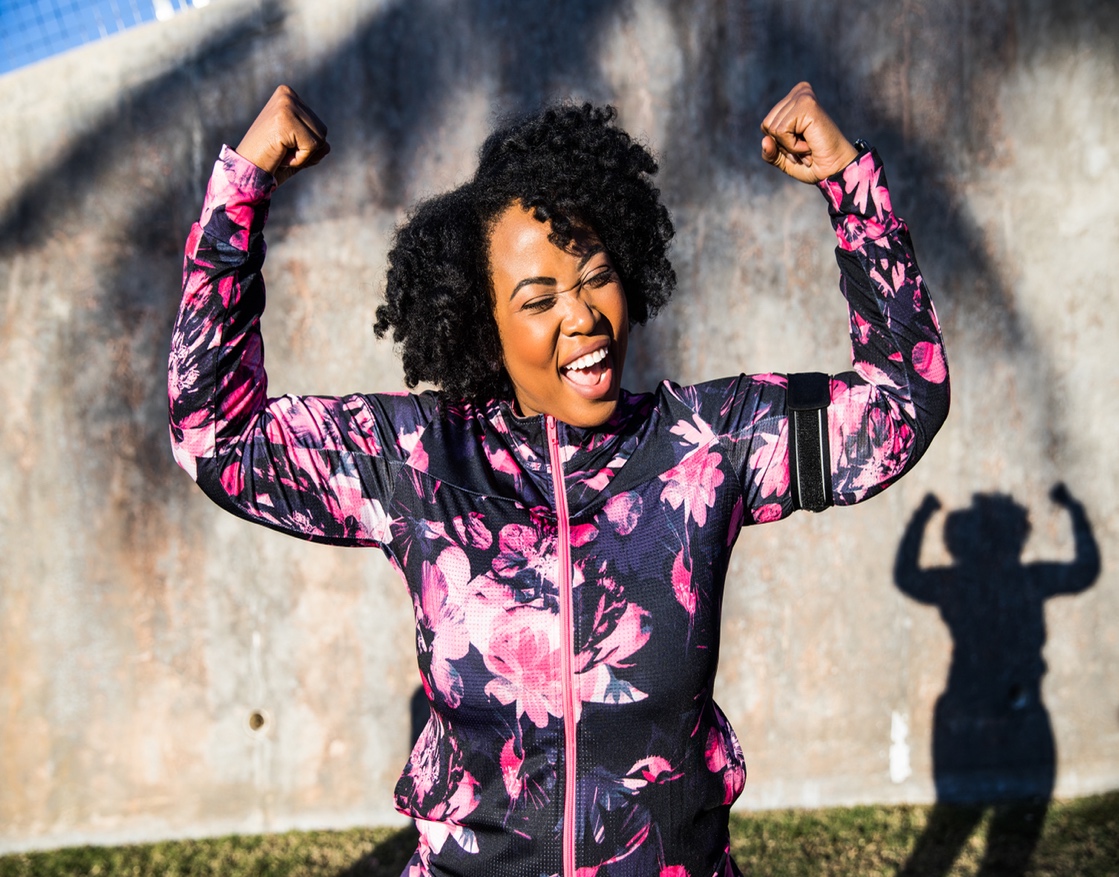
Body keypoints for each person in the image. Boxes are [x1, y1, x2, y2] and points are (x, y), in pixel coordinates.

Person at [168, 82, 949, 877]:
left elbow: (900, 402)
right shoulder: (418, 460)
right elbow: (215, 434)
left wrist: (850, 189)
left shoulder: (702, 445)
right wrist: (242, 189)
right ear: (484, 322)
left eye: (596, 276)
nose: (582, 316)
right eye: (538, 298)